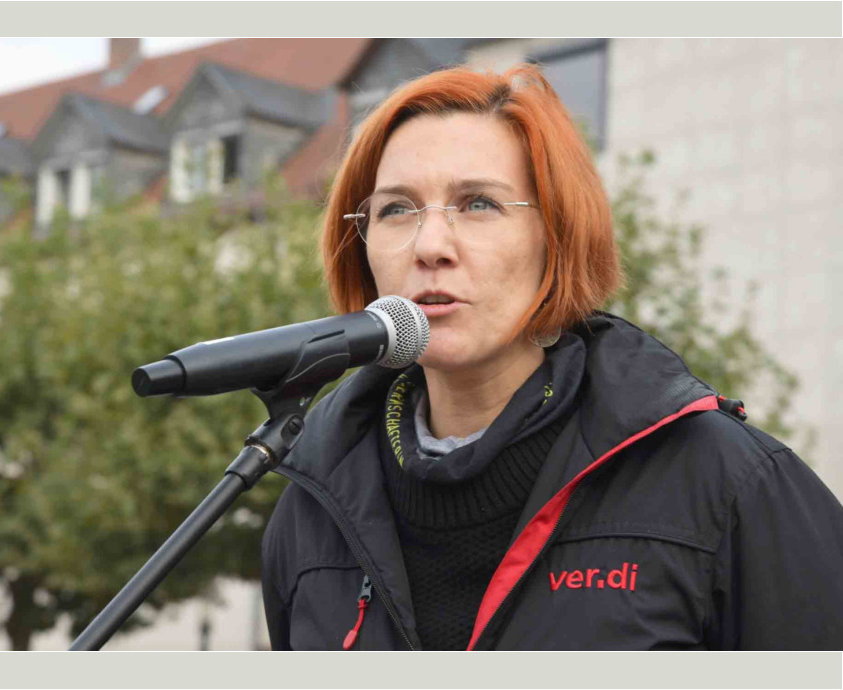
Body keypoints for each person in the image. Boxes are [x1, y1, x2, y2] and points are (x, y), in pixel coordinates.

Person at [260, 64, 843, 650]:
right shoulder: (309, 508)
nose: (431, 246)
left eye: (479, 203)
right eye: (396, 210)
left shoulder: (728, 482)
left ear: (558, 237)